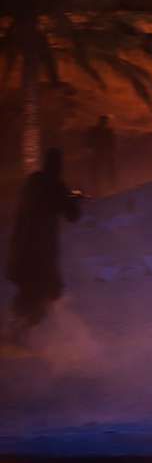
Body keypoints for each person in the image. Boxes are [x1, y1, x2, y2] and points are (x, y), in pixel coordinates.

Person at [6, 148, 82, 334]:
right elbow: (73, 214)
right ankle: (17, 331)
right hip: (42, 253)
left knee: (28, 293)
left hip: (22, 247)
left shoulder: (33, 181)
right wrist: (75, 197)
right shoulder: (56, 186)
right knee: (43, 295)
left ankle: (15, 328)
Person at [85, 114, 117, 195]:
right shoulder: (97, 131)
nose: (104, 123)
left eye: (105, 121)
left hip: (102, 155)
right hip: (99, 155)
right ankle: (99, 189)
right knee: (97, 172)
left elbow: (111, 144)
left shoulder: (106, 132)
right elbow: (89, 142)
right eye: (104, 121)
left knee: (105, 172)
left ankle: (109, 188)